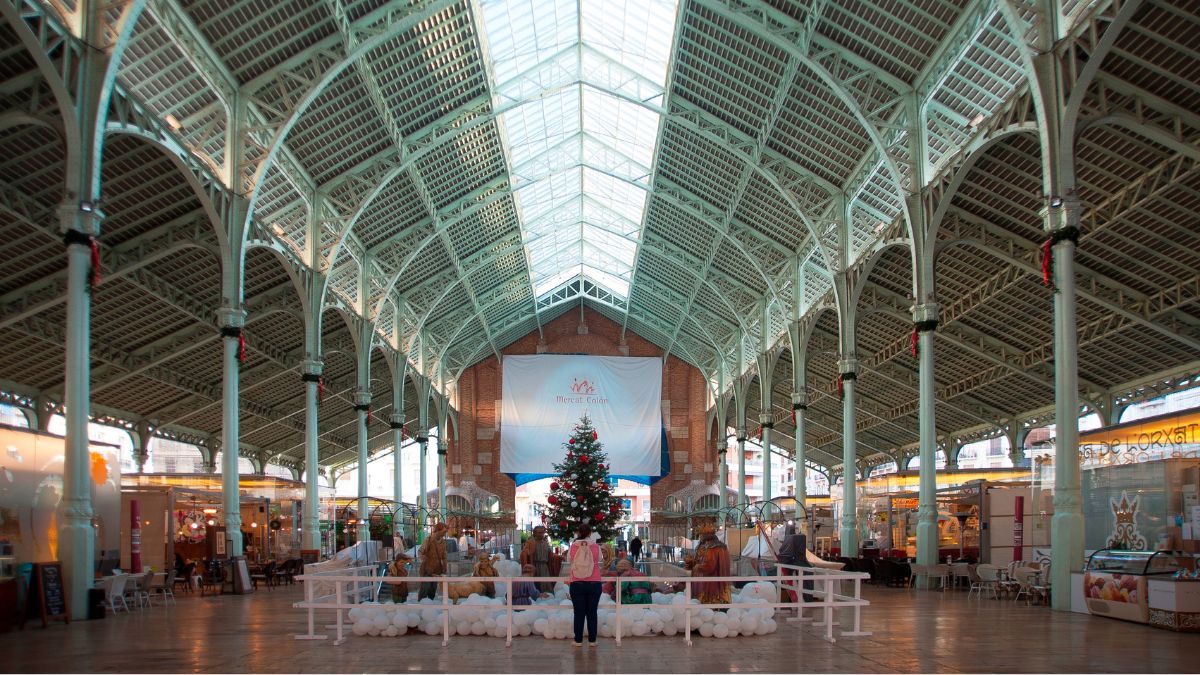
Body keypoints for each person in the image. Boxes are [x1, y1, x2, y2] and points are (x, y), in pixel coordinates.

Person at [567, 523, 602, 647]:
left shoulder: (573, 547)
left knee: (579, 612)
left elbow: (569, 560)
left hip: (576, 582)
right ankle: (592, 640)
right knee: (592, 612)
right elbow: (599, 560)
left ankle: (578, 640)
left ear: (578, 532)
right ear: (590, 533)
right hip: (594, 582)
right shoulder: (596, 547)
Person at [685, 524, 731, 604]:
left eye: (701, 535)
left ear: (705, 535)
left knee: (709, 606)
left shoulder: (712, 547)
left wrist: (697, 567)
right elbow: (698, 561)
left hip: (709, 586)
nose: (700, 537)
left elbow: (709, 566)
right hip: (705, 583)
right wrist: (690, 562)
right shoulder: (708, 546)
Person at [418, 523, 448, 600]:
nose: (445, 534)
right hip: (427, 570)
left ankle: (430, 607)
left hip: (436, 570)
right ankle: (422, 607)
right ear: (438, 530)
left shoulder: (443, 542)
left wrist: (445, 567)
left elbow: (444, 556)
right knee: (424, 589)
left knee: (432, 590)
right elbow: (420, 551)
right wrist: (423, 558)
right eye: (444, 532)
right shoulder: (429, 540)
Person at [520, 525, 553, 591]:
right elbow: (524, 553)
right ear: (535, 533)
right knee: (535, 584)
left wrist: (559, 556)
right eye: (539, 533)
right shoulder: (530, 542)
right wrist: (528, 552)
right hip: (534, 566)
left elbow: (550, 554)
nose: (541, 534)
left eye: (542, 532)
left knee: (545, 584)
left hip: (544, 567)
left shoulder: (545, 543)